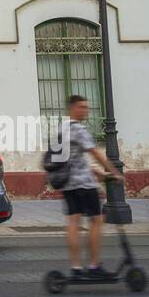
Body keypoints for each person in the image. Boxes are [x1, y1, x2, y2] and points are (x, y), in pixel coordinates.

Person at [60, 95, 121, 278]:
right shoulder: (79, 129)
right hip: (83, 184)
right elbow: (95, 153)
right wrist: (114, 172)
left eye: (87, 107)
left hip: (68, 182)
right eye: (82, 107)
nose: (86, 110)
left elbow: (73, 157)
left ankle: (76, 268)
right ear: (73, 108)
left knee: (73, 222)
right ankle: (94, 266)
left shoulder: (62, 128)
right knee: (96, 220)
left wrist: (98, 172)